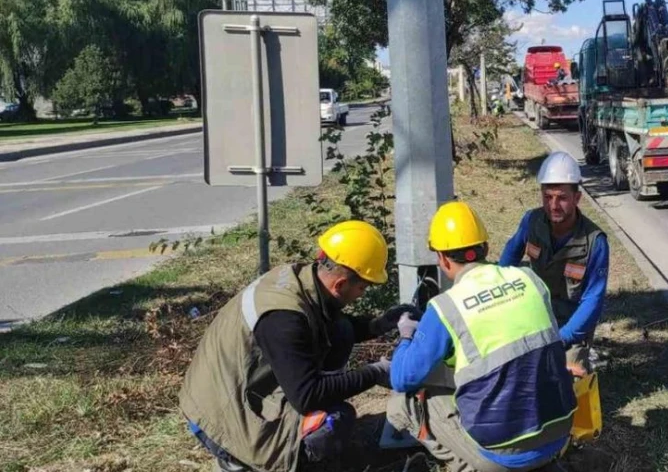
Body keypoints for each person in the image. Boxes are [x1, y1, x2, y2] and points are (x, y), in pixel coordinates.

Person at [179, 220, 414, 472]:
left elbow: (328, 326)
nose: (362, 294)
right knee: (333, 422)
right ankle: (237, 460)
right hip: (219, 416)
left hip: (237, 387)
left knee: (341, 330)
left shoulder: (303, 279)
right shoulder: (283, 319)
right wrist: (375, 372)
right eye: (362, 287)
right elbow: (307, 396)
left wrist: (379, 324)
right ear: (340, 285)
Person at [387, 201, 577, 472]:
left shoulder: (446, 307)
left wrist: (406, 334)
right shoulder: (529, 280)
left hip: (502, 454)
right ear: (486, 248)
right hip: (559, 434)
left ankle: (469, 466)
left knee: (402, 401)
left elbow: (402, 377)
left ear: (441, 258)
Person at [498, 151, 609, 370]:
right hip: (533, 316)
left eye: (562, 198)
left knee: (565, 380)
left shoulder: (596, 243)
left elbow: (592, 301)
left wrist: (562, 338)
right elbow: (507, 262)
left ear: (577, 198)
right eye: (548, 197)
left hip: (570, 326)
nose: (554, 205)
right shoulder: (531, 221)